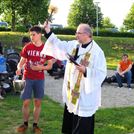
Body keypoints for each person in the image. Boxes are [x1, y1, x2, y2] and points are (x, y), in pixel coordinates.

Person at [41, 22, 107, 134]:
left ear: (87, 34)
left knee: (82, 125)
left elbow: (102, 73)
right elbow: (59, 45)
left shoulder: (97, 52)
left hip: (85, 95)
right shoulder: (74, 45)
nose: (76, 35)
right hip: (72, 92)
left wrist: (86, 70)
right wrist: (48, 31)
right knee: (70, 122)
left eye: (78, 33)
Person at [16, 25, 53, 133]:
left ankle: (35, 125)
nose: (32, 37)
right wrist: (19, 68)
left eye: (34, 35)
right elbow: (22, 61)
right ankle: (25, 123)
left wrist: (40, 67)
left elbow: (50, 66)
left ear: (40, 34)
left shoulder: (46, 48)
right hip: (27, 77)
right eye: (30, 35)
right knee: (26, 102)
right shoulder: (27, 47)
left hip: (39, 79)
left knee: (37, 102)